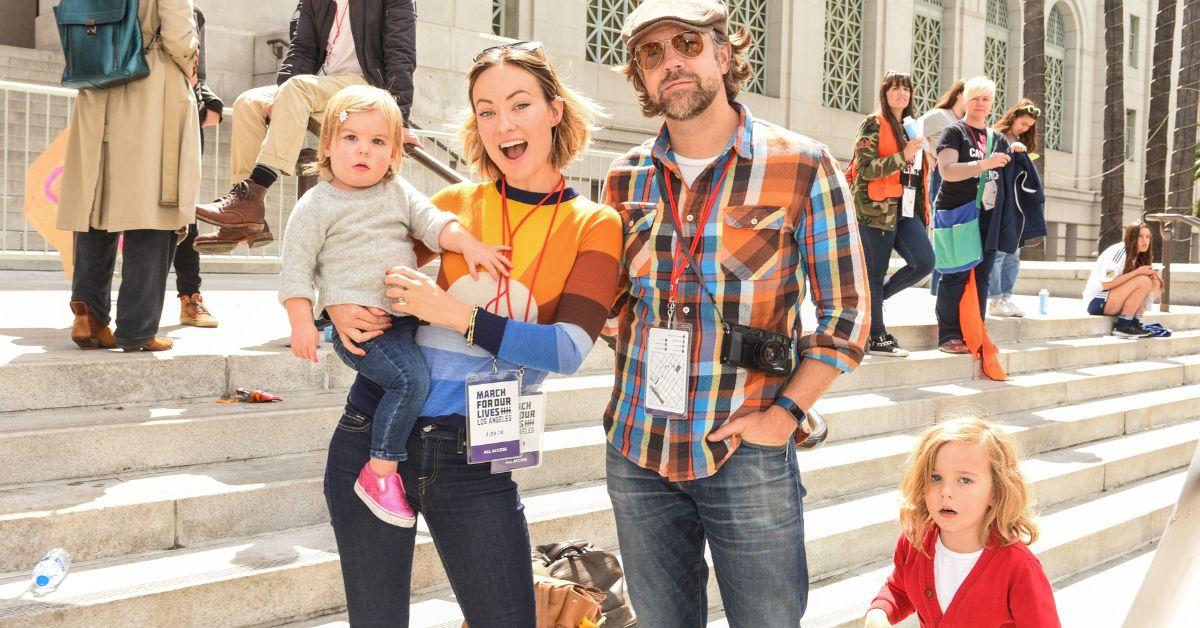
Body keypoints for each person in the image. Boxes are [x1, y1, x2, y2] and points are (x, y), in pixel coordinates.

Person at [320, 43, 621, 625]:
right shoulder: (450, 205)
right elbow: (349, 260)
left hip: (473, 456)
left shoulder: (594, 223)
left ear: (554, 111)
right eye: (485, 110)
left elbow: (567, 349)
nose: (502, 124)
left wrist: (456, 314)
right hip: (374, 431)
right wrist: (330, 308)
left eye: (519, 104)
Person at [603, 1, 869, 625]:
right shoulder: (625, 179)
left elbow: (847, 312)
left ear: (724, 54)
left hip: (745, 448)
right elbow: (611, 304)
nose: (672, 63)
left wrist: (784, 416)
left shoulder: (801, 166)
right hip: (638, 447)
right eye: (652, 54)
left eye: (687, 45)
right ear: (641, 78)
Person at [279, 85, 509, 527]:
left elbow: (435, 224)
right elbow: (295, 270)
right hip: (363, 330)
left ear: (395, 154)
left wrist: (471, 245)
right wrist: (303, 322)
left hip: (406, 319)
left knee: (423, 373)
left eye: (378, 141)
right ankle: (380, 470)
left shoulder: (397, 192)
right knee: (409, 380)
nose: (363, 150)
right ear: (327, 146)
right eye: (351, 138)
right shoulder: (316, 204)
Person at [192, 0, 419, 252]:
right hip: (323, 85)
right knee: (249, 102)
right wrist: (282, 96)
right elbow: (301, 48)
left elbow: (401, 54)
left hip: (366, 86)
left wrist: (399, 116)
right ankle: (243, 214)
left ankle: (255, 191)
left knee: (298, 87)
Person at [60, 0, 199, 352]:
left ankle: (88, 317)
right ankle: (137, 329)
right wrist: (191, 67)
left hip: (98, 78)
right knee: (153, 207)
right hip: (151, 87)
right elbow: (179, 35)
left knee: (98, 204)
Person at [864, 417, 1060, 627]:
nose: (946, 492)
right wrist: (879, 613)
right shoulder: (914, 542)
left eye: (964, 480)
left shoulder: (1019, 568)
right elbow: (899, 589)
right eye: (935, 478)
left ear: (996, 492)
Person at [932, 76, 1025, 355]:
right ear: (965, 100)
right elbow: (946, 171)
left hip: (988, 216)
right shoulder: (954, 132)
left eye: (986, 99)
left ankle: (974, 329)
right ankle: (948, 335)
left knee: (982, 276)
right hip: (956, 212)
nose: (981, 104)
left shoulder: (996, 138)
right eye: (975, 98)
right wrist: (984, 164)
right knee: (955, 274)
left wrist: (1015, 151)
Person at [851, 71, 933, 357]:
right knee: (874, 273)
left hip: (906, 208)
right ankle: (876, 336)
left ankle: (876, 299)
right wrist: (904, 154)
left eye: (906, 89)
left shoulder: (911, 127)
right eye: (895, 88)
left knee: (924, 262)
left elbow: (918, 170)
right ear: (885, 93)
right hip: (875, 209)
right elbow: (866, 167)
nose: (901, 93)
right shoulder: (874, 123)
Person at [175, 6, 224, 328]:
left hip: (185, 114)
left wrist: (208, 98)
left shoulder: (194, 13)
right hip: (137, 111)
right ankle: (94, 308)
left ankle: (190, 297)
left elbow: (197, 75)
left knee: (185, 207)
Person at [987, 100, 1042, 318]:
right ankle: (995, 299)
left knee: (1013, 254)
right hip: (998, 201)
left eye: (1029, 126)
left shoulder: (1022, 142)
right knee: (1000, 252)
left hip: (1016, 204)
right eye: (1022, 123)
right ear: (1013, 117)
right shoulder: (995, 136)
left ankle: (1007, 297)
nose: (1024, 128)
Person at [920, 78, 966, 296]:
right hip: (942, 178)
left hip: (962, 181)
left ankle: (945, 288)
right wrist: (928, 155)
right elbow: (911, 131)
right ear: (959, 95)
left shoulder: (966, 123)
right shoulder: (941, 116)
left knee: (954, 234)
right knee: (942, 232)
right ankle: (938, 289)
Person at [1082, 222, 1162, 337]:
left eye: (1148, 237)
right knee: (1143, 280)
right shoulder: (1119, 252)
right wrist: (1137, 272)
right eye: (1140, 236)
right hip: (1096, 302)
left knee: (1154, 280)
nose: (1145, 241)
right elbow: (1107, 284)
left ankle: (1134, 322)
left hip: (1112, 301)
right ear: (1131, 237)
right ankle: (1123, 326)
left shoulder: (1137, 255)